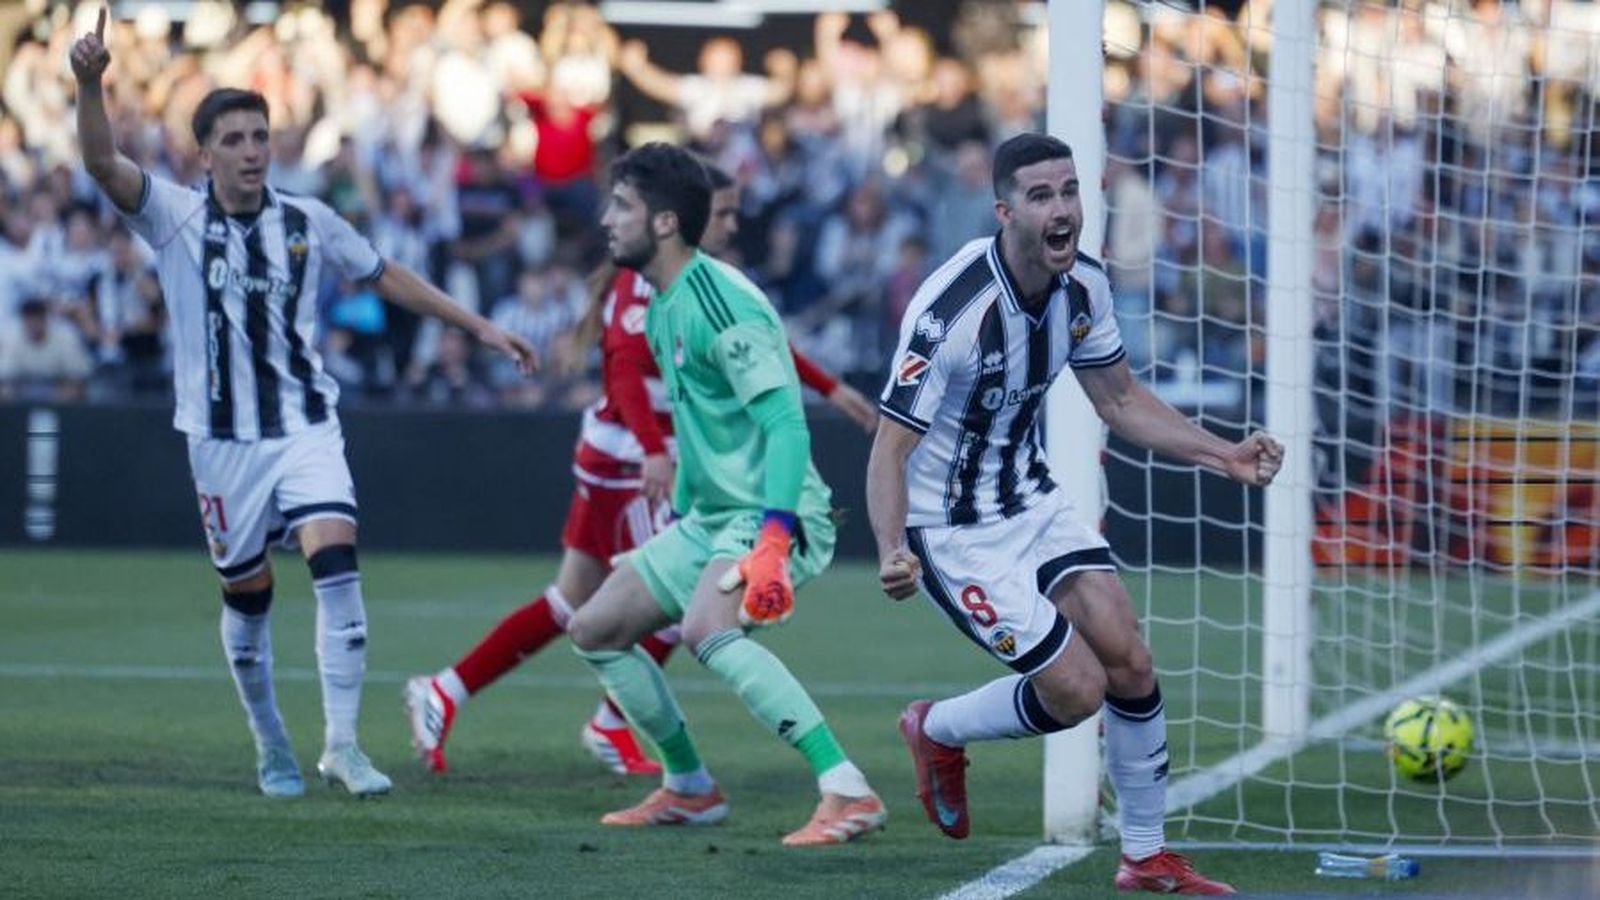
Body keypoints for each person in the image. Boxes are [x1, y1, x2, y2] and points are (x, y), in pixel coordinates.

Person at [70, 11, 536, 799]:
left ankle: (343, 745)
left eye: (262, 135)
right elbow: (101, 163)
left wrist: (480, 325)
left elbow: (386, 274)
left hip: (303, 425)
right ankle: (268, 738)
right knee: (248, 604)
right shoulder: (175, 214)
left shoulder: (307, 221)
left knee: (338, 565)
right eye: (237, 139)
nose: (254, 150)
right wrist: (90, 85)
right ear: (204, 153)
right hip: (220, 443)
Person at [866, 133, 1283, 895]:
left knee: (1130, 658)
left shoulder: (1084, 287)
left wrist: (1222, 453)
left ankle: (1146, 855)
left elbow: (1119, 400)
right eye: (1041, 195)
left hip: (1029, 498)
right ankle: (935, 729)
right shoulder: (951, 312)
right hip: (951, 533)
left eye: (1070, 192)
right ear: (1004, 211)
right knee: (1077, 689)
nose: (1063, 210)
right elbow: (889, 447)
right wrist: (894, 548)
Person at [404, 163, 875, 776]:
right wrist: (655, 451)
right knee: (665, 610)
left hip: (658, 461)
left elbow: (757, 350)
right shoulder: (652, 286)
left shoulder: (703, 288)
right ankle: (619, 726)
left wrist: (829, 387)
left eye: (731, 214)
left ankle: (454, 691)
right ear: (677, 219)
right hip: (629, 459)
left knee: (582, 604)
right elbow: (624, 367)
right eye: (724, 213)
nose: (729, 226)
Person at [553, 143, 886, 845]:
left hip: (776, 510)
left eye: (622, 206)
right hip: (712, 518)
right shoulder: (666, 302)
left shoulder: (718, 302)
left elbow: (785, 423)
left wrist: (773, 535)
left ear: (666, 222)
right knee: (593, 628)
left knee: (708, 629)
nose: (607, 219)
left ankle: (846, 789)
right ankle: (690, 788)